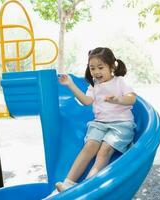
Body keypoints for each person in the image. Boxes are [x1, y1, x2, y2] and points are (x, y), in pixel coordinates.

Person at [56, 47, 137, 192]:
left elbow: (132, 99)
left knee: (104, 151)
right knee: (89, 146)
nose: (96, 72)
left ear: (111, 66)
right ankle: (68, 183)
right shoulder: (94, 86)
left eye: (100, 67)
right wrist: (70, 84)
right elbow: (86, 101)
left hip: (121, 124)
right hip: (100, 124)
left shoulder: (119, 82)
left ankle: (87, 187)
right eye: (92, 68)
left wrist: (118, 99)